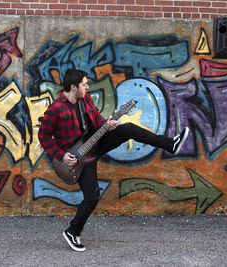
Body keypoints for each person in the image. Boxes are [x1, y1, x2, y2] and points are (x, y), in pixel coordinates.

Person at [38, 69, 189, 252]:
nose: (87, 86)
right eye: (84, 84)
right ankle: (73, 231)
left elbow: (97, 120)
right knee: (92, 197)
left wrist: (107, 124)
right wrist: (62, 155)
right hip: (77, 159)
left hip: (95, 144)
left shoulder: (85, 100)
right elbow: (43, 136)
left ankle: (170, 144)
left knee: (128, 129)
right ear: (73, 87)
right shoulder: (55, 109)